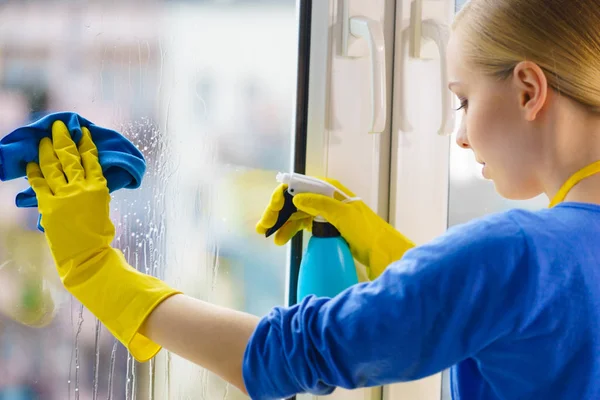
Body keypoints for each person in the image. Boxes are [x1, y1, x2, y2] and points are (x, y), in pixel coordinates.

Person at [23, 0, 600, 398]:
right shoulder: (545, 260)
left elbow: (286, 356)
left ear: (529, 90)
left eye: (463, 100)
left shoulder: (517, 253)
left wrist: (99, 273)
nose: (463, 134)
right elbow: (515, 321)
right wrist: (387, 248)